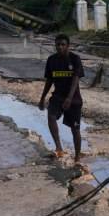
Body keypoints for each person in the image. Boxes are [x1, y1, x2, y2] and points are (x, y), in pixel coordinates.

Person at [38, 34, 84, 164]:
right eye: (58, 44)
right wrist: (42, 98)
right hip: (57, 96)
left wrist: (69, 98)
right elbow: (49, 80)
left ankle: (77, 159)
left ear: (68, 46)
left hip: (73, 99)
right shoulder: (52, 60)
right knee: (51, 116)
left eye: (63, 44)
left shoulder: (75, 59)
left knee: (75, 129)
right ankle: (59, 148)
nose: (60, 47)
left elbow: (76, 79)